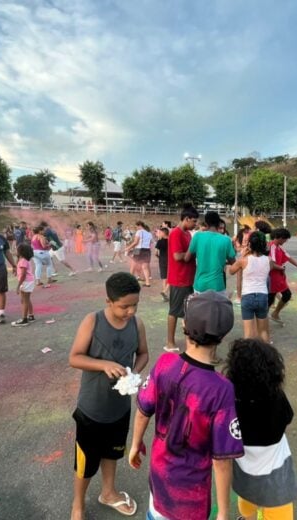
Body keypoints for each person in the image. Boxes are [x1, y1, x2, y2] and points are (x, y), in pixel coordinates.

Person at [129, 291, 243, 520]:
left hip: (160, 479)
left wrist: (135, 444)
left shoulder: (164, 363)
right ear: (223, 334)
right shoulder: (222, 389)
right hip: (191, 496)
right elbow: (221, 461)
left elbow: (143, 412)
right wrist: (223, 512)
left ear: (184, 325)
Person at [68, 272, 149, 520]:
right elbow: (75, 357)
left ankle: (109, 492)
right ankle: (78, 504)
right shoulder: (92, 321)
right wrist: (103, 365)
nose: (131, 311)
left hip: (120, 408)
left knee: (113, 452)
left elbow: (143, 354)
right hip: (91, 409)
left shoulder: (137, 324)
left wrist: (133, 374)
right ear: (109, 301)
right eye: (125, 306)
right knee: (86, 462)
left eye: (135, 305)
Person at [225, 338, 297, 520]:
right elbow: (287, 420)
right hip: (275, 475)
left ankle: (247, 518)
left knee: (246, 499)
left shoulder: (229, 403)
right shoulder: (276, 398)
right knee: (279, 511)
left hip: (244, 470)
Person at [228, 231, 273, 342]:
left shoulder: (244, 260)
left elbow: (231, 271)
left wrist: (243, 255)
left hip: (247, 296)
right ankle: (266, 355)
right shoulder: (269, 260)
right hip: (262, 295)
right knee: (263, 331)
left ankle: (249, 357)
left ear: (250, 244)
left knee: (248, 334)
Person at [165, 205, 199, 352]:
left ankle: (188, 340)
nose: (195, 224)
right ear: (186, 219)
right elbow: (177, 256)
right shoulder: (176, 234)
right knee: (174, 311)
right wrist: (190, 254)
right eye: (193, 221)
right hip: (179, 278)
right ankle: (170, 342)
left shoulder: (187, 234)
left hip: (188, 278)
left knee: (187, 311)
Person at [185, 211, 236, 297]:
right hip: (218, 285)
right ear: (219, 223)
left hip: (200, 285)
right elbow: (233, 262)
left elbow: (187, 258)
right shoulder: (226, 240)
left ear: (206, 223)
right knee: (216, 310)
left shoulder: (198, 236)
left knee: (200, 310)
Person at [268, 228, 297, 325]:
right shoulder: (272, 247)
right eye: (285, 239)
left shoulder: (279, 247)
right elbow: (271, 264)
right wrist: (281, 267)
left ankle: (273, 314)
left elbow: (289, 257)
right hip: (273, 276)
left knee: (283, 295)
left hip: (279, 276)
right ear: (279, 238)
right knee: (271, 298)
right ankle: (263, 318)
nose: (286, 241)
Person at [12, 244, 35, 327]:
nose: (15, 251)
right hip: (28, 281)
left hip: (25, 282)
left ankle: (24, 319)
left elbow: (23, 274)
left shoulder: (22, 261)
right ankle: (31, 315)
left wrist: (18, 286)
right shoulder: (24, 260)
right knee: (27, 299)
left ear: (20, 252)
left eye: (17, 250)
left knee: (24, 300)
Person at [155, 227, 169, 301]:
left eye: (160, 232)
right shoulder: (171, 241)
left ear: (164, 233)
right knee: (171, 276)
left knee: (164, 278)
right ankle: (165, 291)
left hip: (162, 260)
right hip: (170, 260)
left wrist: (159, 257)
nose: (159, 234)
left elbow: (156, 253)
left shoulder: (159, 241)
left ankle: (165, 293)